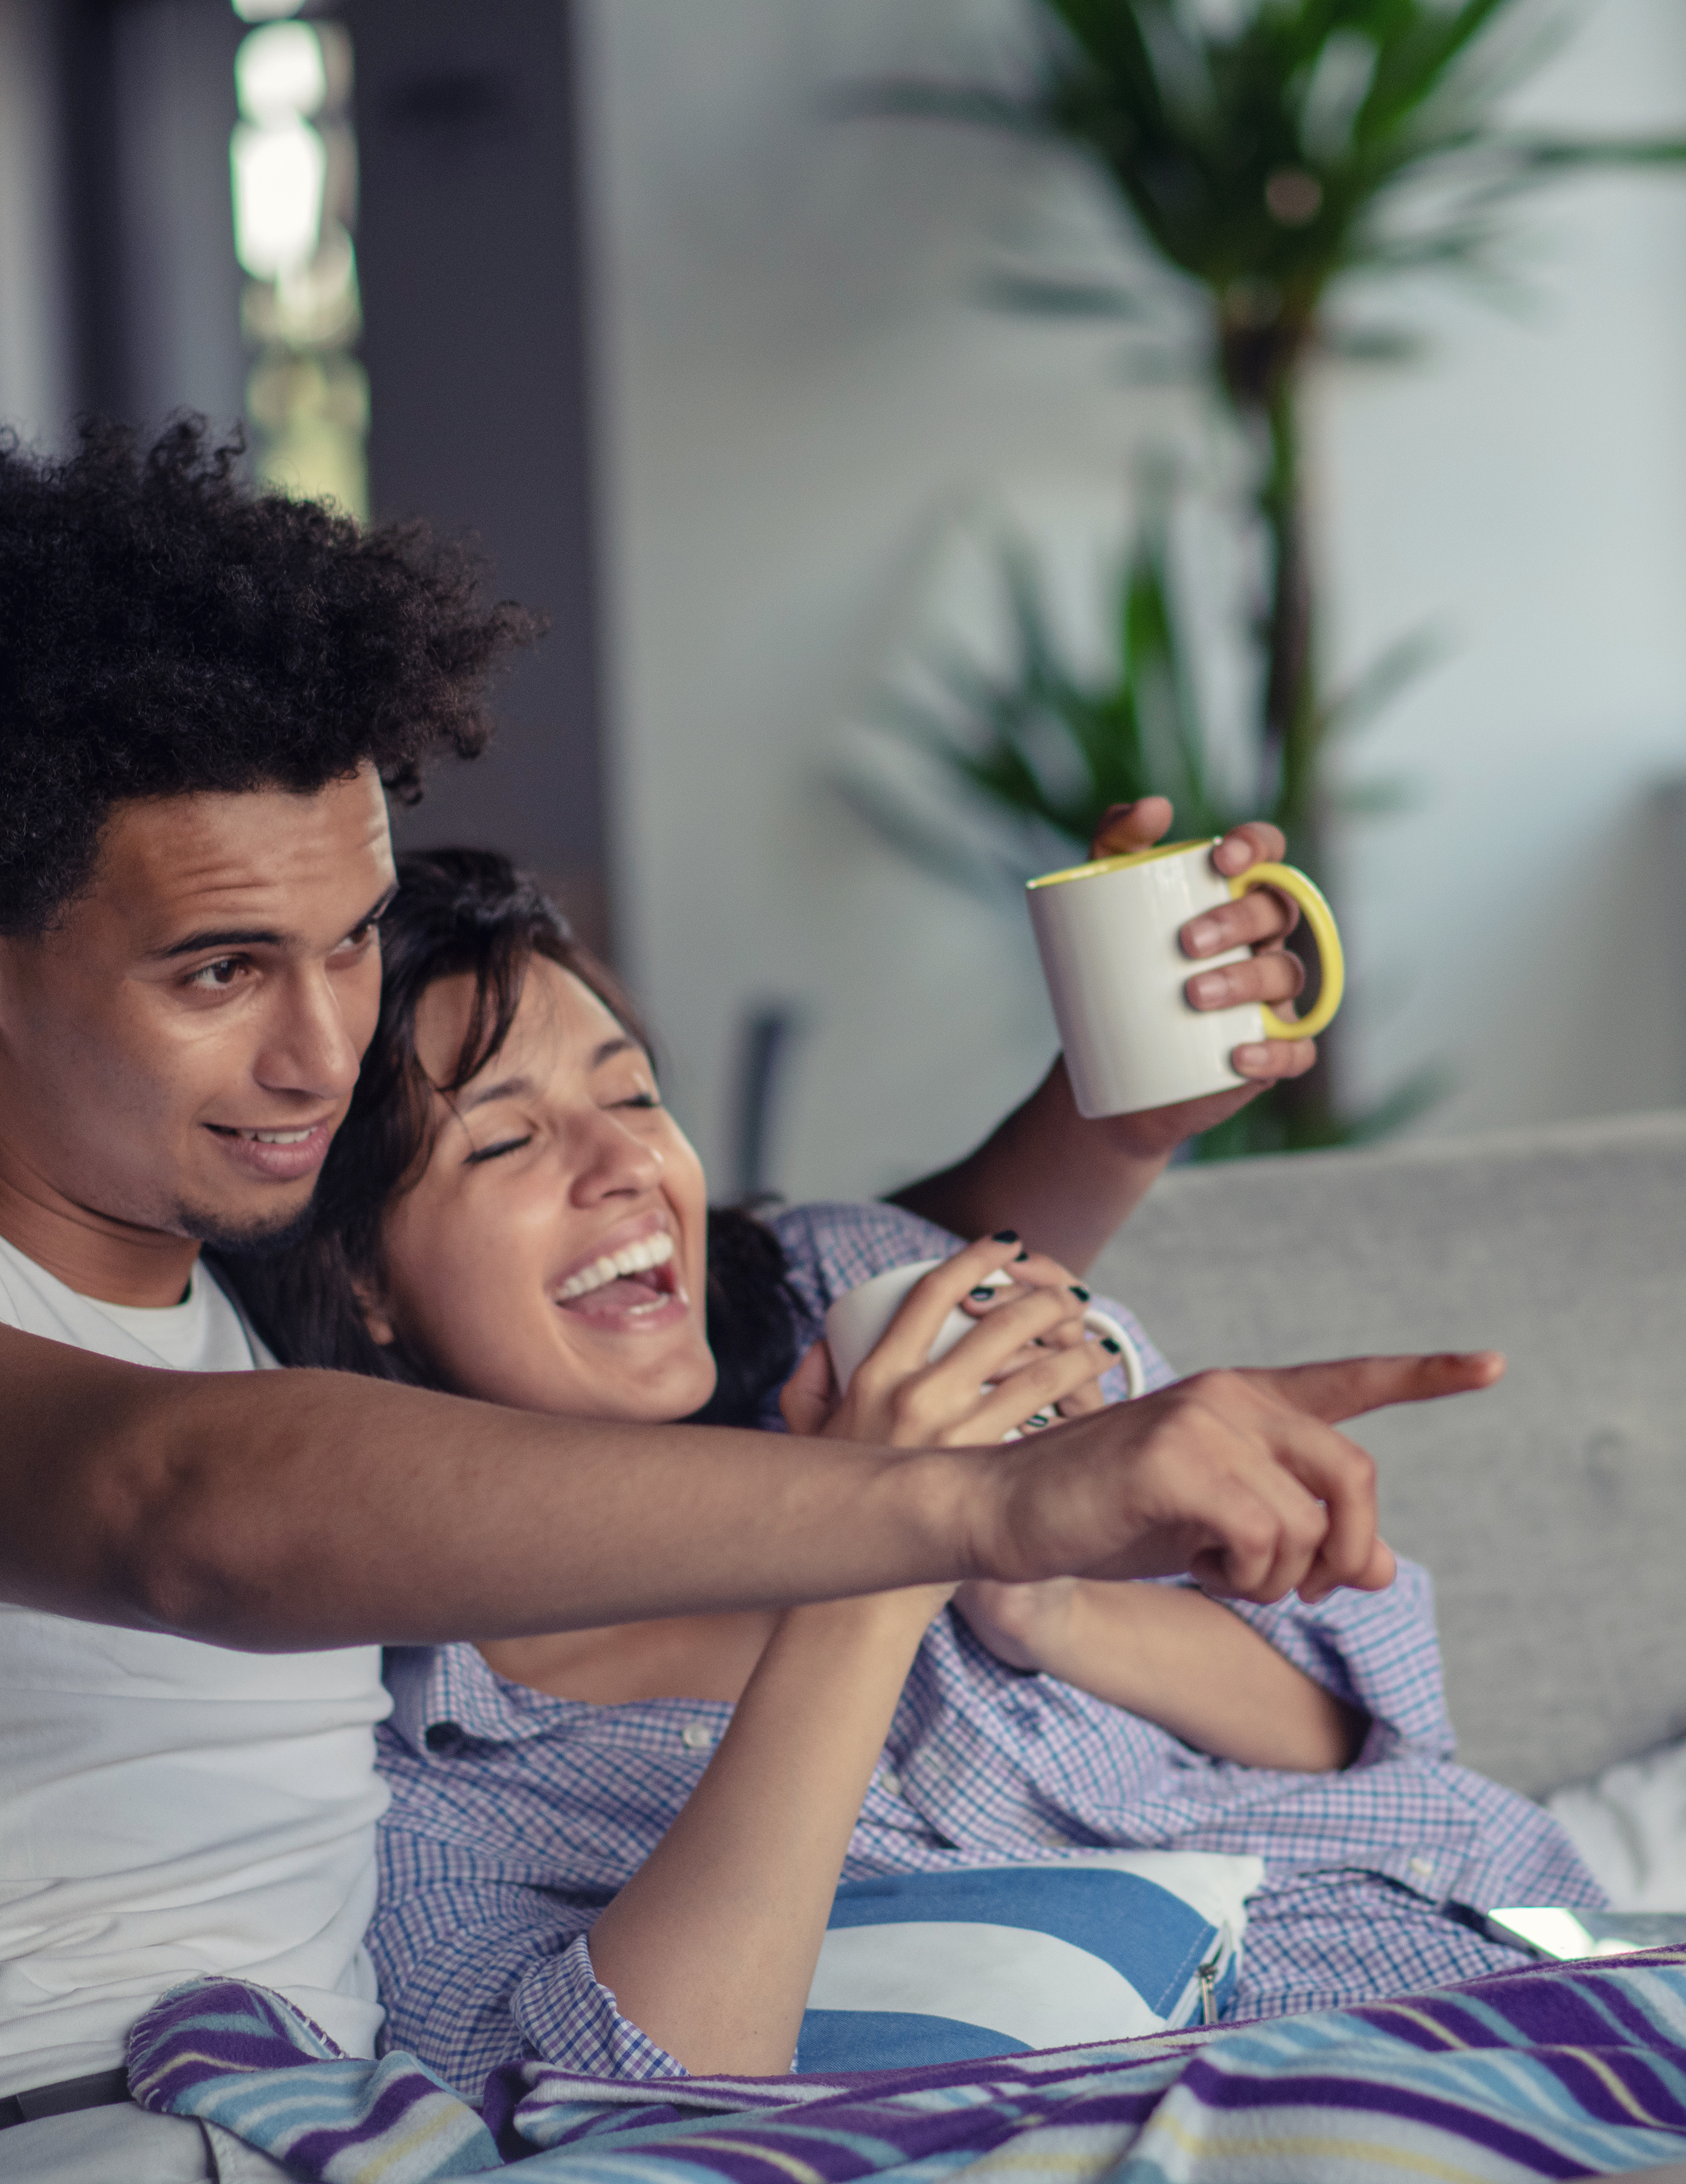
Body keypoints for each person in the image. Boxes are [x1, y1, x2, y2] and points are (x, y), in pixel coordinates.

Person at [0, 423, 1488, 2184]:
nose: (318, 1050)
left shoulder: (282, 1336)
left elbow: (770, 1285)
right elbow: (177, 1511)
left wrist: (1107, 1120)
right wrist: (951, 1505)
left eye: (357, 942)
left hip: (368, 2179)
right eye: (223, 970)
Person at [222, 849, 1588, 2100]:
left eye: (636, 1092)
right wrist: (885, 1548)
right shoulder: (408, 1752)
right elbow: (614, 2100)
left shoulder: (851, 1297)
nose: (629, 1163)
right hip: (1253, 2105)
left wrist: (1043, 1603)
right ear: (361, 1280)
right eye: (506, 1139)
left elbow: (1367, 1745)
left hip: (1527, 1963)